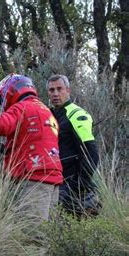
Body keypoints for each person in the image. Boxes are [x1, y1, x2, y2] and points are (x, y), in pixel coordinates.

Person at [0, 74, 63, 223]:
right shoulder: (44, 110)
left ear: (11, 92)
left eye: (2, 99)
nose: (3, 104)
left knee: (32, 234)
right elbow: (32, 139)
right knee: (48, 230)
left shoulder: (22, 107)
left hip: (34, 177)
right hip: (52, 177)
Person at [47, 74, 100, 215]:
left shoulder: (76, 114)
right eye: (52, 90)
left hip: (72, 183)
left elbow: (91, 151)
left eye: (60, 89)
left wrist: (80, 184)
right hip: (54, 180)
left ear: (68, 91)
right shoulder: (49, 115)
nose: (56, 94)